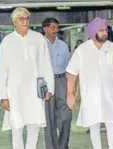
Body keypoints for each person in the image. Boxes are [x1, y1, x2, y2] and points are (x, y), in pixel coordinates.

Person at [66, 17, 113, 149]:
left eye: (105, 30)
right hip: (91, 97)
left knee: (112, 124)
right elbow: (72, 74)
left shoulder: (112, 48)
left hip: (111, 96)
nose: (105, 33)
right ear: (93, 32)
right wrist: (70, 93)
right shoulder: (82, 50)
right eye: (101, 30)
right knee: (93, 126)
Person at [0, 7, 54, 149]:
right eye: (21, 19)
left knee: (34, 127)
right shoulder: (7, 41)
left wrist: (50, 88)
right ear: (14, 22)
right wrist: (3, 97)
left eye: (27, 18)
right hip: (14, 93)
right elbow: (2, 70)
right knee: (17, 128)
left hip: (35, 91)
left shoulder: (38, 38)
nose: (25, 21)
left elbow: (46, 64)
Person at [42, 17, 72, 149]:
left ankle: (63, 145)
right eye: (53, 28)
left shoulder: (63, 46)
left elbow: (68, 67)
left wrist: (69, 87)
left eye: (57, 28)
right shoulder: (40, 44)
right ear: (45, 28)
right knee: (49, 119)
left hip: (61, 81)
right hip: (45, 83)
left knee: (66, 116)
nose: (56, 30)